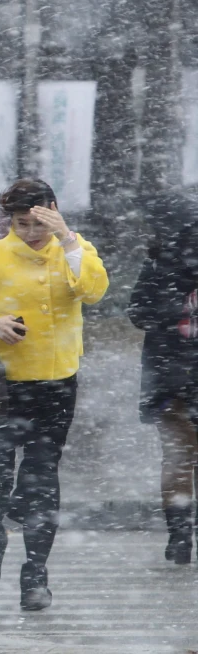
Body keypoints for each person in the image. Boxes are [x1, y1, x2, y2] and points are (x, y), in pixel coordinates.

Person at [0, 178, 108, 611]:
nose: (30, 232)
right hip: (1, 387)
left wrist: (67, 238)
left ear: (53, 211)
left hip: (56, 384)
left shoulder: (74, 249)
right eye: (21, 224)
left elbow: (94, 290)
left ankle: (36, 575)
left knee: (41, 482)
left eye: (37, 222)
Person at [127, 196, 198, 564]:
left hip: (168, 370)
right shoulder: (160, 264)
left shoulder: (159, 262)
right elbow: (138, 311)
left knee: (178, 457)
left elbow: (138, 311)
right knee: (179, 455)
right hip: (172, 373)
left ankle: (180, 536)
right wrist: (180, 309)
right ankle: (180, 535)